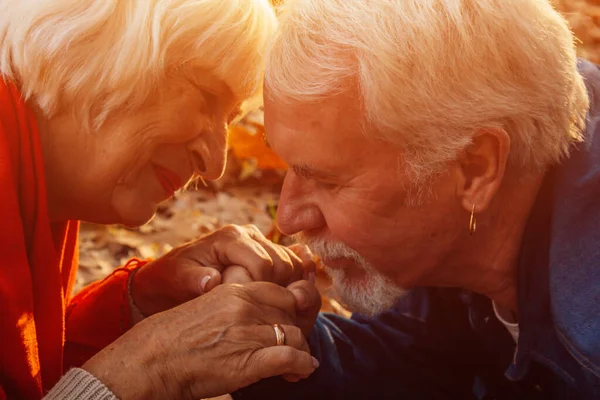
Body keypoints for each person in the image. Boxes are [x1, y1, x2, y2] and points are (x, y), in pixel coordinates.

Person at [233, 0, 600, 399]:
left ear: (476, 168)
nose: (288, 218)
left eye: (328, 180)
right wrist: (270, 340)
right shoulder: (450, 230)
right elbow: (420, 359)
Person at [0, 1, 320, 399]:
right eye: (206, 96)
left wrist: (140, 307)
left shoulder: (35, 183)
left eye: (230, 119)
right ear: (91, 46)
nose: (214, 163)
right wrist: (151, 368)